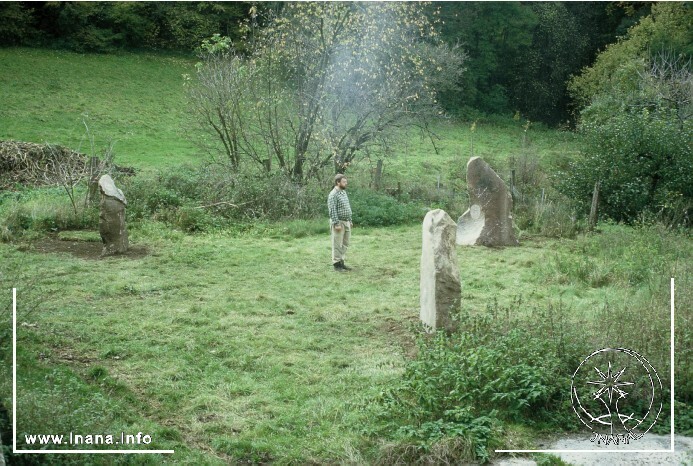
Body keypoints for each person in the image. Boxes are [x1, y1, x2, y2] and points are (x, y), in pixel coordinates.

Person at [327, 174, 353, 272]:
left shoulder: (343, 192)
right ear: (338, 182)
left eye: (346, 181)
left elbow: (347, 206)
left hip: (346, 222)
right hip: (339, 223)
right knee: (337, 244)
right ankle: (337, 264)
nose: (346, 183)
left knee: (345, 243)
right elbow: (332, 209)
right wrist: (336, 223)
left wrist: (350, 220)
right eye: (344, 182)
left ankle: (342, 262)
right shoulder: (333, 194)